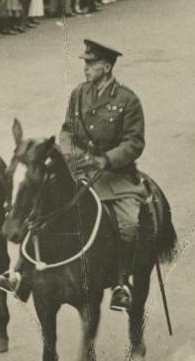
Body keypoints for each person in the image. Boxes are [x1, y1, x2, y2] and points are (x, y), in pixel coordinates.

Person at [50, 40, 149, 311]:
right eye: (85, 63)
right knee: (44, 202)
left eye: (91, 64)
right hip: (80, 170)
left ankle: (121, 283)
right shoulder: (79, 94)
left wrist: (106, 159)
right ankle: (22, 272)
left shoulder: (127, 99)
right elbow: (67, 131)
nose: (86, 68)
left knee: (128, 223)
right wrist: (70, 154)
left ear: (106, 67)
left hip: (114, 176)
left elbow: (134, 143)